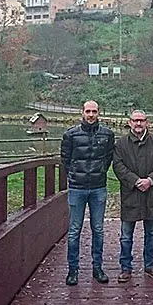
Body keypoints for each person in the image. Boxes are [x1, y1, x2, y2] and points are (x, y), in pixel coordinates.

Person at [60, 100, 115, 286]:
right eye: (88, 111)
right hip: (77, 188)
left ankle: (97, 268)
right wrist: (75, 174)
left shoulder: (107, 135)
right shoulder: (71, 135)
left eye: (94, 111)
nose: (91, 115)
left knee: (98, 229)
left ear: (99, 113)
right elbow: (65, 160)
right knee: (75, 230)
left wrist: (99, 172)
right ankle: (72, 270)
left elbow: (108, 158)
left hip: (98, 187)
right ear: (82, 112)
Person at [112, 109, 153, 283]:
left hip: (151, 194)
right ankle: (125, 268)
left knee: (151, 234)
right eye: (135, 120)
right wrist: (136, 181)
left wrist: (150, 180)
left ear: (147, 122)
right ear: (129, 122)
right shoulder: (121, 144)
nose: (138, 124)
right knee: (126, 235)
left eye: (141, 120)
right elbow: (118, 165)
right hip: (131, 194)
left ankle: (150, 266)